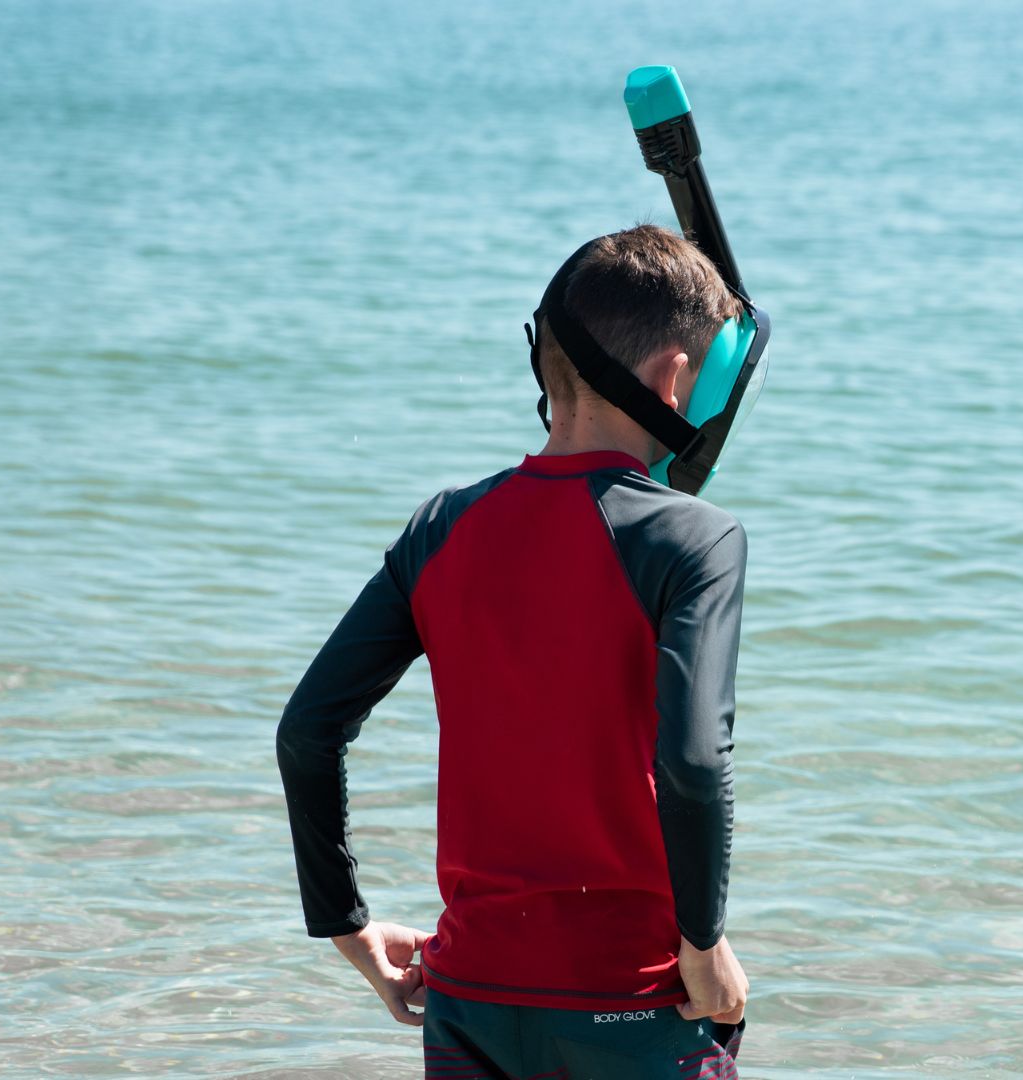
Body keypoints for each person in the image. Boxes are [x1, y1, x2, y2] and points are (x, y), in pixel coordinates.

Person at [276, 223, 753, 1078]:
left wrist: (348, 925)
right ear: (677, 379)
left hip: (472, 998)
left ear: (545, 363)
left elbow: (309, 730)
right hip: (634, 996)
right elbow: (692, 761)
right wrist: (703, 944)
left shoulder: (440, 528)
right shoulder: (695, 540)